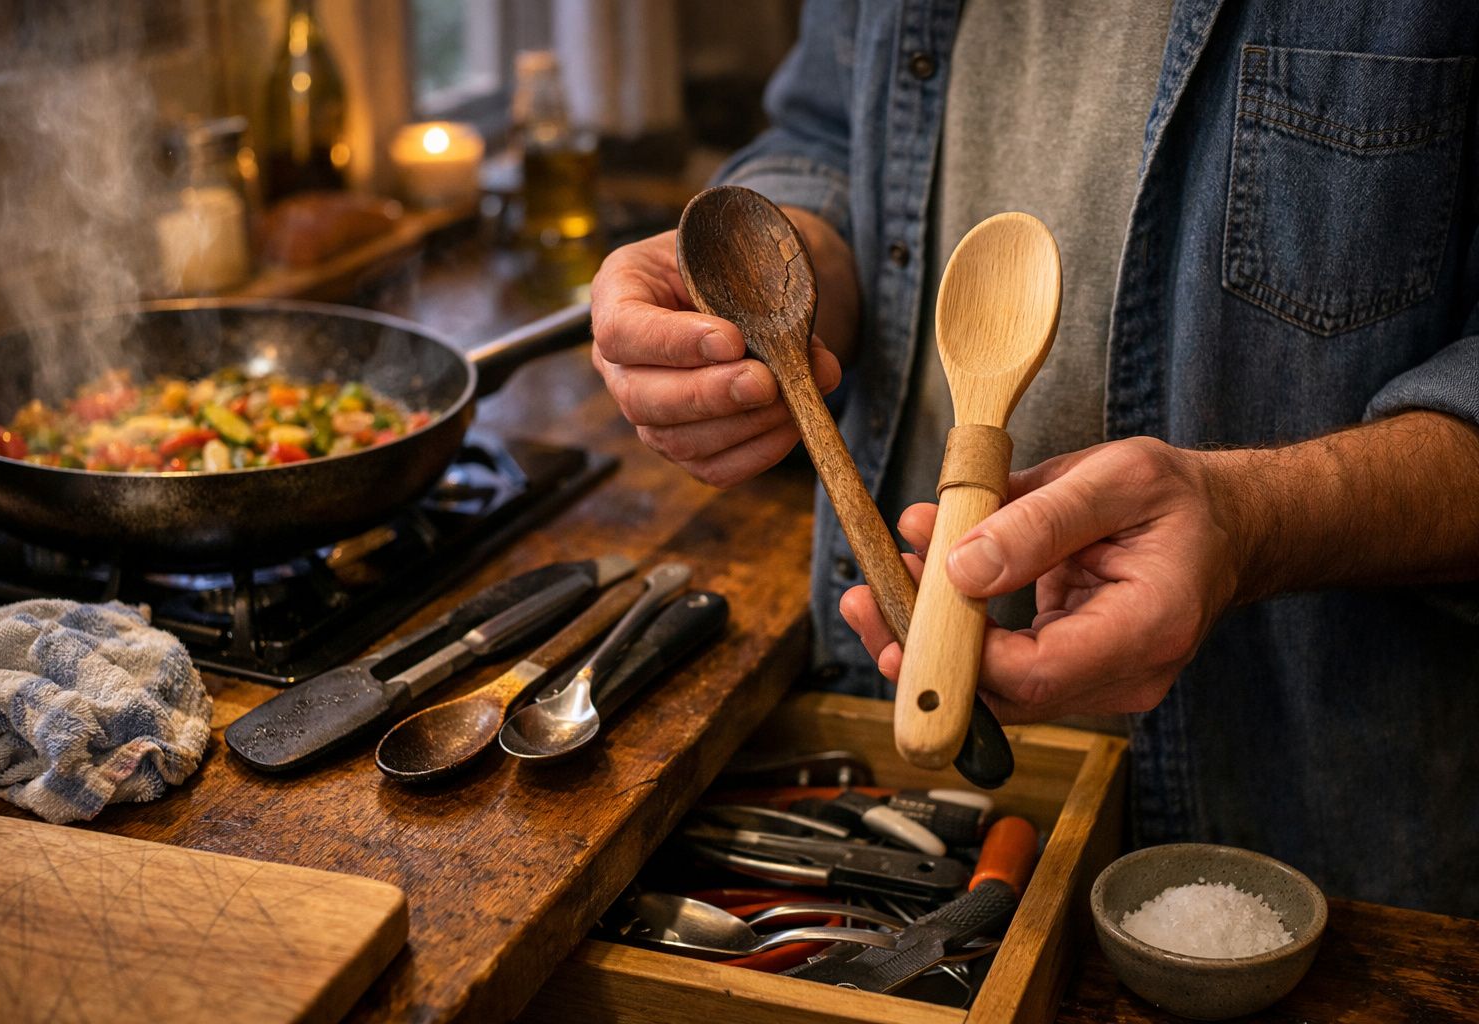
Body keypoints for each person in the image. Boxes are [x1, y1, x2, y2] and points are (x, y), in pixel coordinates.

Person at [589, 0, 1479, 917]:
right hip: (915, 777)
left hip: (1318, 829)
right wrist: (793, 281)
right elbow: (826, 133)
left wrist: (1253, 523)